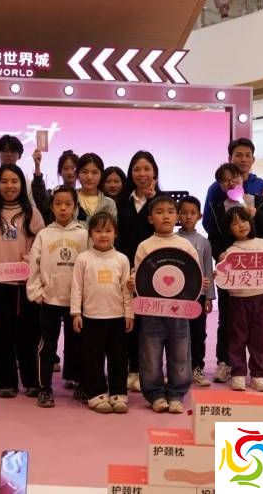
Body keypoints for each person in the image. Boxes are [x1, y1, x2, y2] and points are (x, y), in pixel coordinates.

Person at [0, 164, 45, 398]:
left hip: (25, 285)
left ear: (22, 184)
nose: (9, 186)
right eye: (4, 181)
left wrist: (29, 261)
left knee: (28, 334)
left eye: (14, 181)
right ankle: (6, 383)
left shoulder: (32, 213)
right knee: (0, 333)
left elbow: (41, 245)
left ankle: (32, 381)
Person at [206, 163, 263, 385]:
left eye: (234, 177)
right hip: (231, 274)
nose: (231, 182)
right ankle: (228, 364)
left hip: (258, 279)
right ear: (220, 185)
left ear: (242, 178)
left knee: (261, 324)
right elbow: (212, 237)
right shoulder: (217, 207)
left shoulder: (257, 200)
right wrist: (221, 255)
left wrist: (258, 213)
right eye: (225, 180)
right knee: (228, 321)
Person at [132, 195, 200, 413]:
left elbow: (194, 276)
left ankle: (176, 393)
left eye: (170, 212)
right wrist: (133, 281)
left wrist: (202, 283)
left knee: (180, 353)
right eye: (159, 212)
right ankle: (155, 394)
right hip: (151, 312)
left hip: (179, 311)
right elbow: (139, 276)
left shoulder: (185, 245)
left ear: (177, 216)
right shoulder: (144, 246)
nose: (166, 216)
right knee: (150, 354)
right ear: (150, 218)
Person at [27, 186, 88, 408]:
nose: (63, 208)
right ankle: (45, 388)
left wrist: (87, 296)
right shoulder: (44, 234)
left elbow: (91, 264)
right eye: (58, 204)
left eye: (68, 204)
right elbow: (33, 266)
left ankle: (80, 384)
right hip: (50, 300)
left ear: (75, 207)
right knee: (47, 345)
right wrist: (38, 294)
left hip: (76, 302)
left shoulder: (84, 234)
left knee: (78, 344)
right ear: (51, 207)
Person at [70, 212, 133, 414]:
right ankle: (96, 393)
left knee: (119, 358)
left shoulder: (122, 259)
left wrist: (129, 314)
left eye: (108, 230)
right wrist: (76, 313)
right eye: (98, 231)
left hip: (117, 318)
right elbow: (76, 287)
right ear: (90, 234)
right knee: (93, 358)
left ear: (115, 233)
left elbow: (126, 290)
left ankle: (118, 393)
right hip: (91, 318)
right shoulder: (83, 259)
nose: (103, 235)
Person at [117, 151, 163, 393]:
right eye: (137, 169)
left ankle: (149, 371)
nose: (142, 174)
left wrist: (152, 202)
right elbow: (123, 234)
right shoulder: (121, 201)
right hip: (126, 269)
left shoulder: (163, 201)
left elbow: (164, 232)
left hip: (155, 270)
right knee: (129, 320)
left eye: (146, 169)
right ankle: (132, 369)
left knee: (151, 323)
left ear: (154, 171)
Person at [220, 207, 263, 392]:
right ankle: (238, 373)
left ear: (250, 222)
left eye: (243, 220)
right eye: (234, 223)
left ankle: (258, 374)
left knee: (260, 337)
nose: (240, 225)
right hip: (238, 299)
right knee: (237, 337)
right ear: (229, 229)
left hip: (261, 297)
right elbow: (224, 279)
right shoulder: (230, 251)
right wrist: (221, 269)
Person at [176, 196, 216, 387]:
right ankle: (178, 369)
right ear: (178, 215)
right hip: (177, 296)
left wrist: (209, 297)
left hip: (198, 296)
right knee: (177, 334)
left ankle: (197, 367)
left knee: (198, 333)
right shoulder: (173, 239)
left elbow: (208, 269)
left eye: (192, 213)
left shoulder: (204, 243)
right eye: (184, 212)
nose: (188, 216)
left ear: (199, 216)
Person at [31, 149, 79, 224]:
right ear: (60, 172)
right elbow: (40, 197)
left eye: (73, 168)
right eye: (66, 168)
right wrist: (37, 166)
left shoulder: (82, 196)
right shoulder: (52, 194)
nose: (70, 172)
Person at [75, 153, 117, 228]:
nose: (89, 177)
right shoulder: (69, 200)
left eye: (94, 172)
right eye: (84, 172)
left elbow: (111, 231)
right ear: (77, 174)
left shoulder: (109, 204)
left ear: (101, 175)